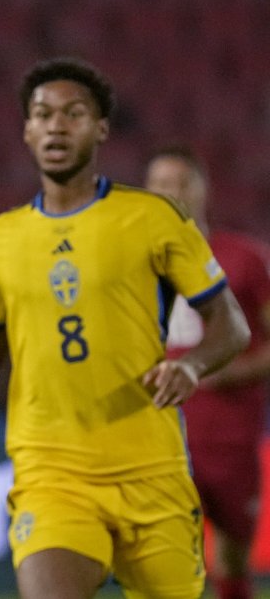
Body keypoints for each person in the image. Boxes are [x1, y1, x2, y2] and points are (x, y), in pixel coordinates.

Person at [0, 57, 252, 599]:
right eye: (43, 114)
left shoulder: (154, 219)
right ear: (27, 131)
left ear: (101, 129)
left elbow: (231, 325)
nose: (57, 126)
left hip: (152, 472)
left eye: (74, 114)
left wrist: (191, 365)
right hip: (53, 476)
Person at [145, 148, 270, 599]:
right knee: (167, 563)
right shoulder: (132, 264)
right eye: (161, 184)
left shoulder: (245, 259)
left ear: (204, 190)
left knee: (232, 563)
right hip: (161, 440)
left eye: (182, 182)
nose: (172, 192)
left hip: (231, 439)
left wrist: (226, 370)